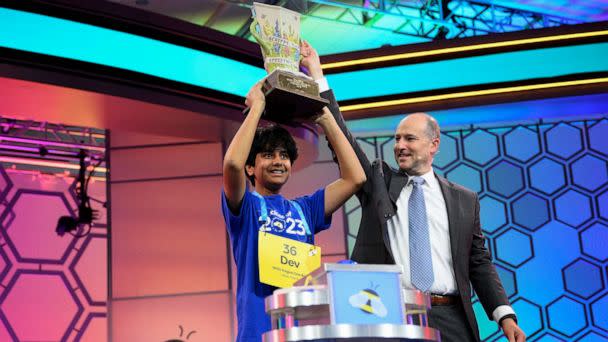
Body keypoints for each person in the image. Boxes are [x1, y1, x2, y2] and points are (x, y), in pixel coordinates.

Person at [300, 41, 526, 342]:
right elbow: (343, 138)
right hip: (394, 313)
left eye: (410, 138)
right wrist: (317, 74)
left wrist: (505, 315)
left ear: (434, 145)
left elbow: (478, 262)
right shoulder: (378, 181)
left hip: (452, 316)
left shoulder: (464, 200)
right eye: (397, 139)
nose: (400, 145)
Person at [221, 74, 366, 341]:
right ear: (250, 167)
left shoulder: (305, 209)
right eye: (268, 155)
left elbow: (355, 178)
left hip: (301, 330)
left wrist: (325, 118)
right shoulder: (246, 206)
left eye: (284, 155)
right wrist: (257, 109)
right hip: (259, 331)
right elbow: (231, 165)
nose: (278, 161)